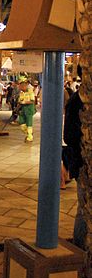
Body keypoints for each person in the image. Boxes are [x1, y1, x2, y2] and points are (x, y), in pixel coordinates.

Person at [62, 74, 86, 249]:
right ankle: (79, 248)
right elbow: (70, 136)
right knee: (84, 209)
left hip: (79, 160)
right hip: (82, 162)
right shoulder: (77, 102)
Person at [18, 77, 36, 142]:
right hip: (22, 110)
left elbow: (32, 101)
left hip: (29, 109)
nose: (20, 87)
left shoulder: (30, 92)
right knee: (21, 123)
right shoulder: (21, 93)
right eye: (20, 85)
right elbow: (19, 101)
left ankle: (30, 137)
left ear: (25, 85)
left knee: (29, 123)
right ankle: (29, 133)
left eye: (21, 85)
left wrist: (24, 102)